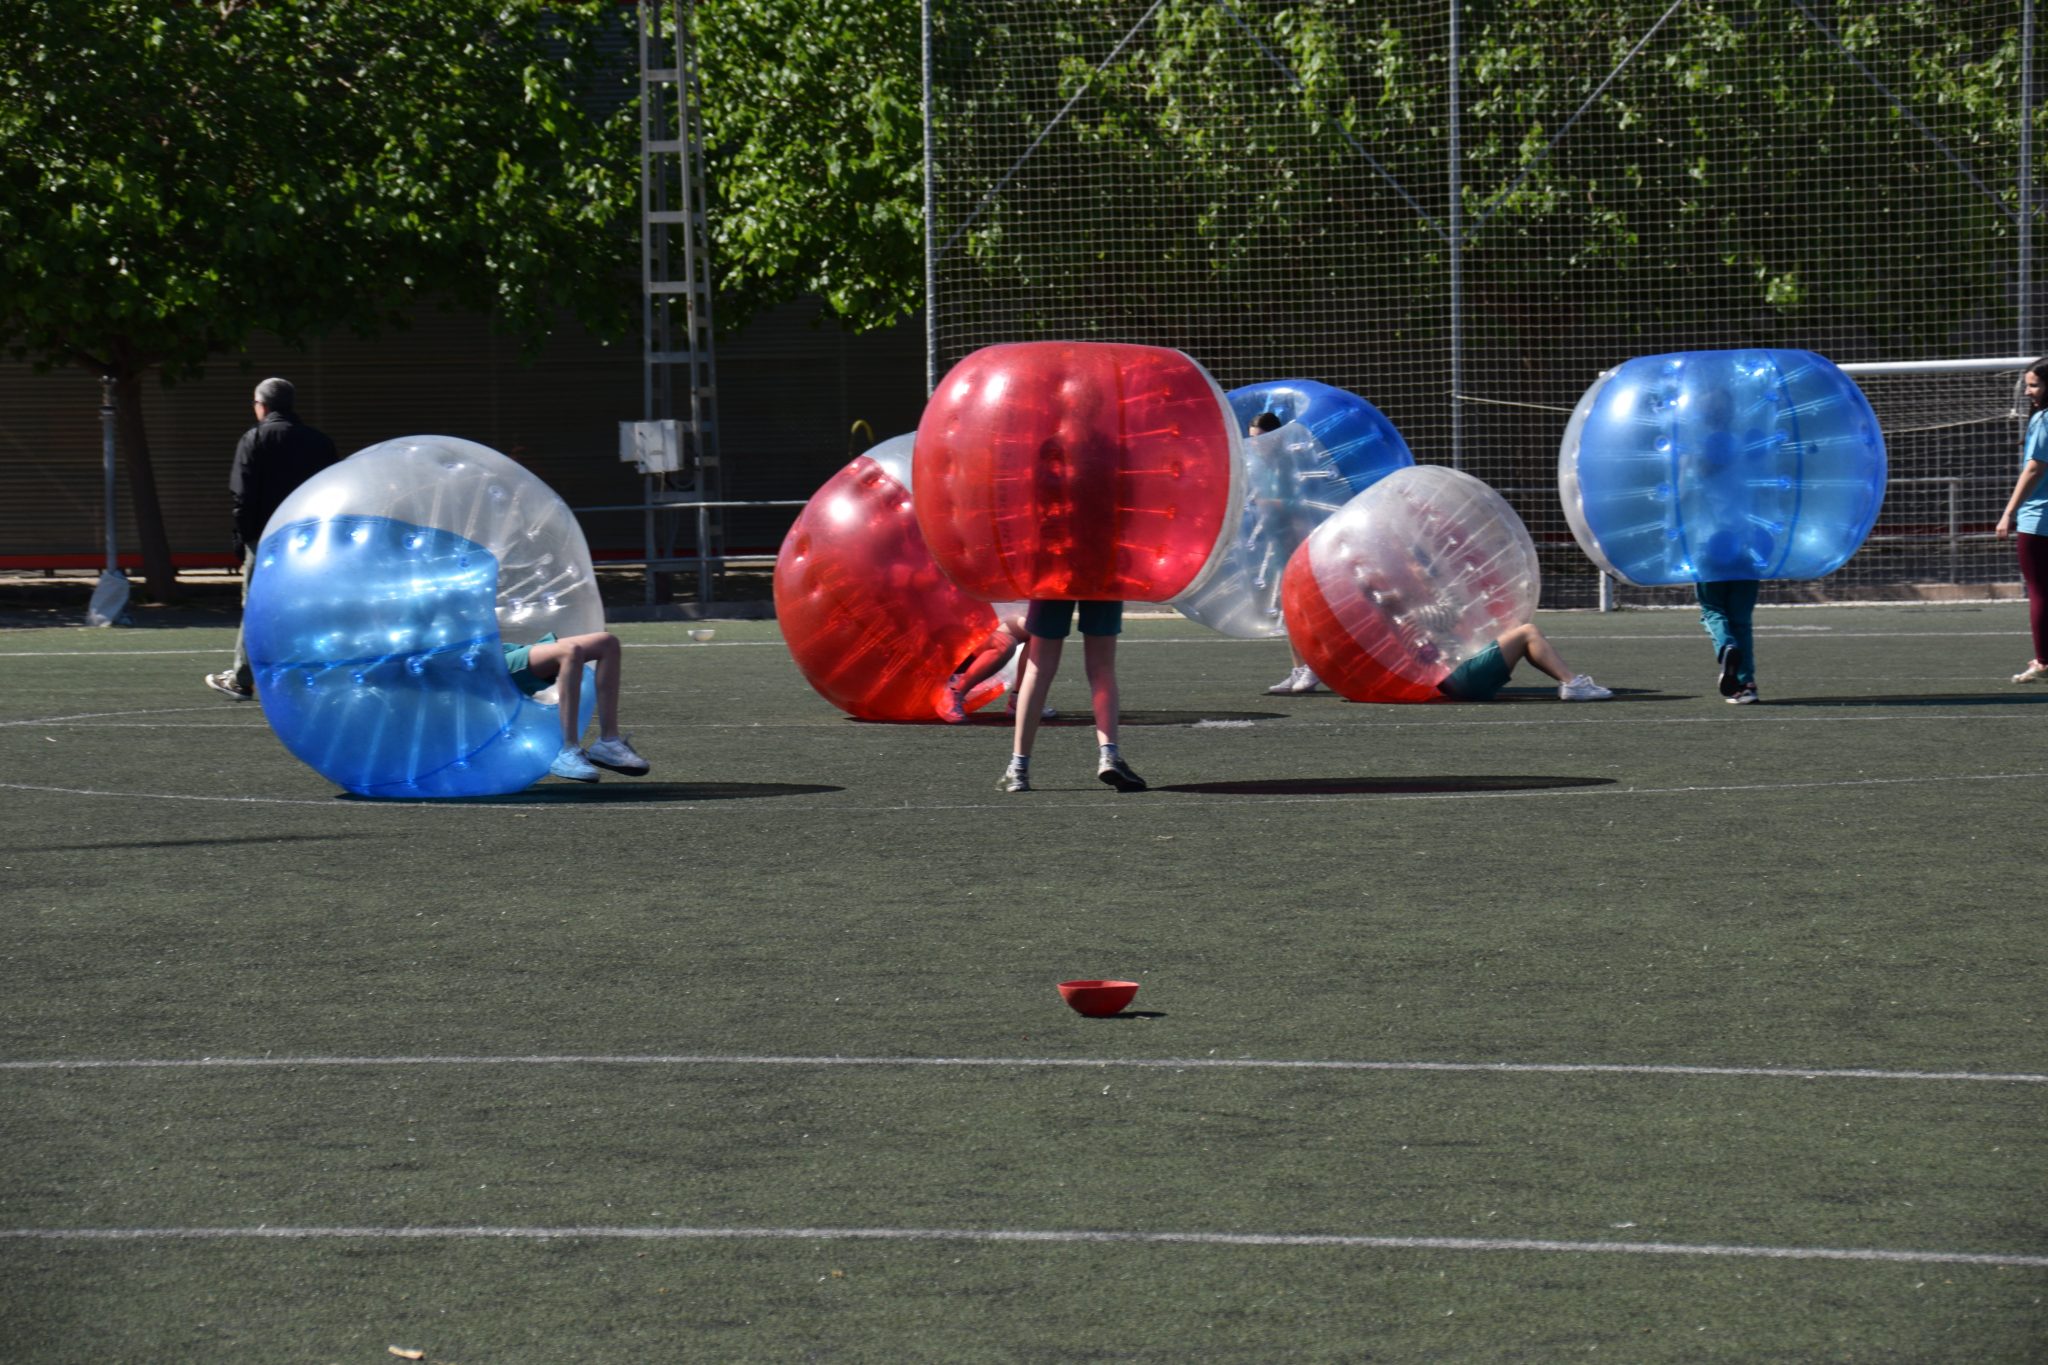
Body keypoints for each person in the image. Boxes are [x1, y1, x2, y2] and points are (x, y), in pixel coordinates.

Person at [205, 377, 340, 700]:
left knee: (257, 607)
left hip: (265, 537)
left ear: (262, 406)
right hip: (309, 538)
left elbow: (242, 495)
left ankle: (243, 678)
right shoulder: (319, 442)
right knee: (308, 606)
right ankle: (312, 676)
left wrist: (242, 538)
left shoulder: (253, 439)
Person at [999, 600, 1145, 793]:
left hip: (1051, 584)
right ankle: (1109, 755)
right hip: (1100, 583)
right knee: (1102, 669)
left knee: (1037, 670)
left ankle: (1018, 768)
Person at [501, 630, 651, 782]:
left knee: (607, 643)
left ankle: (608, 743)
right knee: (570, 651)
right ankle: (569, 751)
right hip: (489, 665)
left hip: (503, 649)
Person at [1245, 410, 1324, 696]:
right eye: (1251, 439)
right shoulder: (1259, 466)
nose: (1255, 444)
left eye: (1260, 438)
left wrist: (1269, 503)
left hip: (1297, 541)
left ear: (1276, 438)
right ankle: (1298, 669)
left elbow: (1303, 503)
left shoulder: (1288, 464)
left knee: (1302, 608)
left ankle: (1314, 666)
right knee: (1287, 610)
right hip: (1277, 542)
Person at [1995, 357, 2048, 683]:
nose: (2028, 392)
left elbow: (2034, 468)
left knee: (2040, 591)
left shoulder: (2044, 419)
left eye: (2034, 385)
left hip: (2039, 519)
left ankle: (2044, 661)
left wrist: (2008, 512)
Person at [1437, 622, 1613, 703]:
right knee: (1528, 632)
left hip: (1450, 682)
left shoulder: (1424, 606)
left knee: (1515, 628)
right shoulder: (1428, 607)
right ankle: (1572, 683)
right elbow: (1453, 619)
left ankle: (1572, 683)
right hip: (1461, 676)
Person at [939, 609, 1056, 723]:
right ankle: (954, 694)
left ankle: (1021, 699)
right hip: (945, 646)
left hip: (968, 631)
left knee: (1039, 631)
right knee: (1004, 644)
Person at [1696, 581, 1760, 704]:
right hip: (1747, 570)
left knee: (1711, 611)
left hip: (1712, 569)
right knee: (1741, 622)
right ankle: (1746, 685)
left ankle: (1727, 646)